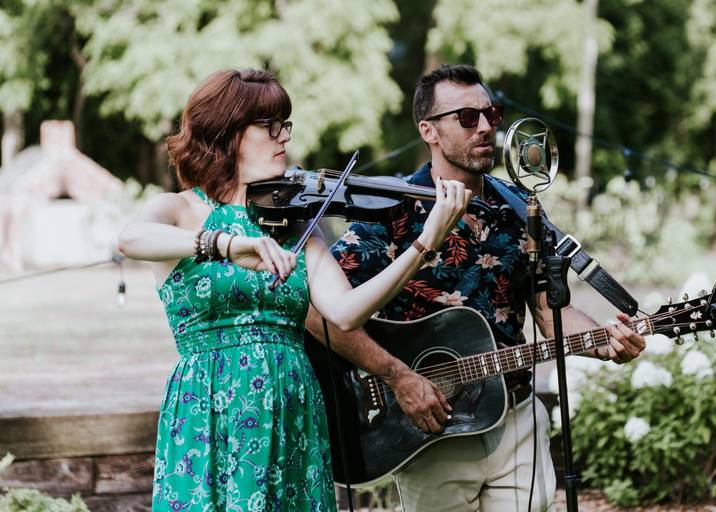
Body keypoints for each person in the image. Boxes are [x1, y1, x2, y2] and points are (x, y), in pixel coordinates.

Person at [117, 68, 469, 510]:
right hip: (211, 408)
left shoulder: (294, 226)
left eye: (285, 124)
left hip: (293, 408)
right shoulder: (180, 209)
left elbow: (345, 313)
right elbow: (130, 239)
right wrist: (225, 244)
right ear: (226, 132)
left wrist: (423, 243)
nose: (283, 137)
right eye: (270, 127)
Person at [307, 64, 646, 511]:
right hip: (432, 433)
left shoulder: (518, 208)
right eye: (467, 118)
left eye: (492, 114)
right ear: (428, 130)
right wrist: (398, 376)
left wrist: (604, 343)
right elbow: (319, 313)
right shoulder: (392, 210)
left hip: (516, 417)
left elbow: (549, 312)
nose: (486, 127)